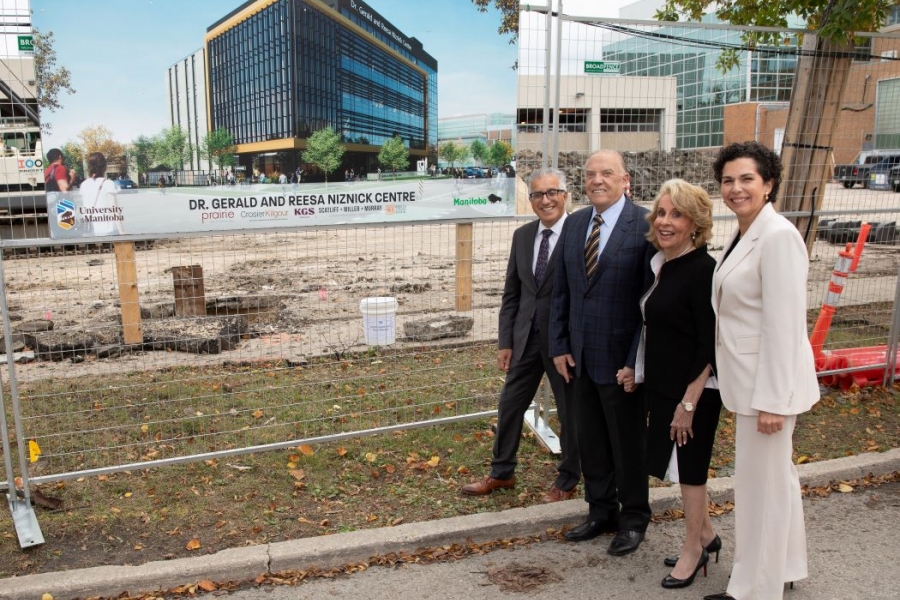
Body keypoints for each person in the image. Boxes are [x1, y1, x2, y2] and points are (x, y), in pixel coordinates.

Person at [704, 141, 820, 600]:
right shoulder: (744, 232)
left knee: (760, 491)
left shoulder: (777, 236)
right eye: (729, 180)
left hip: (766, 391)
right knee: (778, 483)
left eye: (747, 179)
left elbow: (785, 326)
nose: (736, 188)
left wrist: (773, 400)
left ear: (769, 183)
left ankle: (754, 589)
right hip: (748, 383)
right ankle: (786, 565)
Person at [549, 149, 654, 556]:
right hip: (578, 358)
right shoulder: (574, 224)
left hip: (622, 362)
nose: (597, 180)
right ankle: (600, 511)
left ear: (624, 179)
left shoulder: (645, 224)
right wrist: (559, 345)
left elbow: (650, 302)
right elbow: (561, 290)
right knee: (590, 439)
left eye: (606, 173)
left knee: (627, 443)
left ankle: (633, 519)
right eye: (590, 174)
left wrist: (635, 360)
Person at [461, 168, 580, 503]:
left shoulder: (580, 232)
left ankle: (568, 479)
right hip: (525, 338)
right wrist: (506, 341)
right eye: (538, 195)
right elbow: (512, 293)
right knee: (510, 404)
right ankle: (501, 473)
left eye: (552, 193)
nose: (545, 200)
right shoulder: (524, 236)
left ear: (564, 195)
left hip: (564, 344)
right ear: (530, 201)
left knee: (569, 412)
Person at [628, 179, 722, 589]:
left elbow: (709, 342)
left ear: (696, 223)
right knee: (674, 465)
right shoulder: (660, 263)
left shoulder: (703, 270)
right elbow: (657, 329)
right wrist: (637, 368)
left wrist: (689, 402)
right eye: (661, 213)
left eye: (677, 214)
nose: (665, 221)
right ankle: (707, 534)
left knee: (690, 472)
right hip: (664, 385)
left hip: (696, 390)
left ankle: (693, 550)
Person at [79, 152, 122, 235]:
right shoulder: (108, 183)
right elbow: (115, 210)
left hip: (90, 229)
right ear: (105, 167)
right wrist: (122, 232)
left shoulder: (84, 185)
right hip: (106, 229)